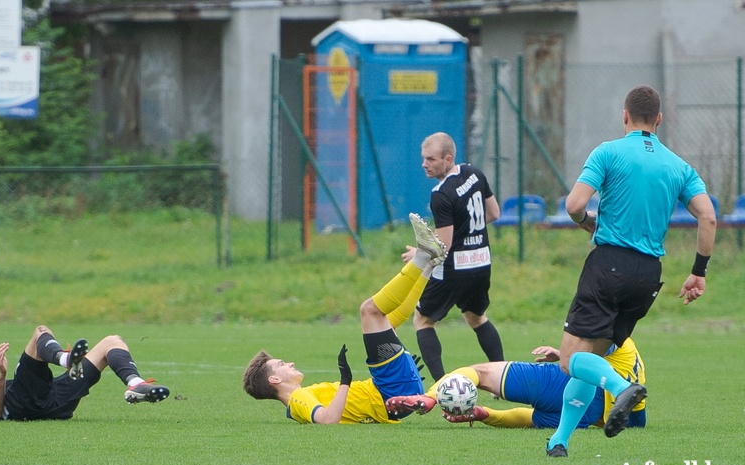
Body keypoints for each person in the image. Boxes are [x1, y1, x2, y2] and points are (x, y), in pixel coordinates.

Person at [544, 85, 716, 457]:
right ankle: (559, 441)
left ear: (625, 115)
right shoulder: (679, 166)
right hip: (648, 275)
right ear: (659, 120)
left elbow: (574, 204)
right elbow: (708, 216)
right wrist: (698, 272)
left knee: (570, 359)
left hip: (608, 264)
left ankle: (622, 388)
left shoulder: (608, 152)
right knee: (590, 359)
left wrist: (585, 221)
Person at [242, 213, 447, 424]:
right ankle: (423, 255)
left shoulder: (301, 397)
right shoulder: (297, 399)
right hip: (389, 390)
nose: (290, 363)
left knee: (387, 321)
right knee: (369, 310)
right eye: (282, 364)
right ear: (274, 379)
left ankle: (429, 265)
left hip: (392, 391)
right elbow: (327, 420)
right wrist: (345, 381)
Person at [404, 132, 504, 381]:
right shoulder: (474, 173)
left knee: (423, 320)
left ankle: (441, 385)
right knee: (476, 317)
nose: (424, 164)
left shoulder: (441, 194)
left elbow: (442, 246)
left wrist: (419, 251)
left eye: (431, 159)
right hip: (481, 262)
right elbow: (494, 213)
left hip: (454, 269)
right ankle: (505, 378)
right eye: (423, 158)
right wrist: (469, 233)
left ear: (447, 159)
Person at [386, 338, 646, 431]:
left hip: (567, 385)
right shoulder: (635, 361)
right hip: (587, 418)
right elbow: (637, 420)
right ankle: (483, 414)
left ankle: (430, 397)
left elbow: (594, 346)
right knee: (534, 420)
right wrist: (485, 414)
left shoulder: (615, 332)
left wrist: (564, 354)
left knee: (481, 373)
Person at [0, 325, 170, 420]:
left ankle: (135, 384)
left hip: (54, 401)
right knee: (39, 332)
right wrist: (2, 376)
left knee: (112, 341)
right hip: (22, 403)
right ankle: (65, 359)